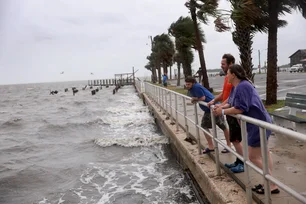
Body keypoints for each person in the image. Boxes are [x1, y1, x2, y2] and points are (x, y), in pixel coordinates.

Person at [213, 64, 279, 194]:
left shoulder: (243, 86)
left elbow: (241, 108)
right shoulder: (237, 86)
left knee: (252, 157)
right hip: (260, 123)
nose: (226, 75)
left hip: (258, 124)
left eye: (228, 73)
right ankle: (268, 183)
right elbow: (231, 103)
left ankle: (272, 184)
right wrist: (221, 107)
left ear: (233, 74)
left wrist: (222, 112)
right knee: (265, 153)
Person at [207, 54, 244, 173]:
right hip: (228, 110)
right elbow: (225, 95)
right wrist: (216, 102)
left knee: (236, 139)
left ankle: (242, 163)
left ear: (231, 64)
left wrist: (222, 108)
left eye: (223, 64)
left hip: (233, 111)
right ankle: (238, 161)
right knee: (235, 138)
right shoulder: (227, 78)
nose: (221, 66)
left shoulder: (235, 80)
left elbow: (233, 99)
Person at [185, 76, 231, 154]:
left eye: (189, 84)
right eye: (186, 84)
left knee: (217, 126)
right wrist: (194, 98)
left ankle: (223, 146)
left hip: (213, 108)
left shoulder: (196, 87)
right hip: (209, 109)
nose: (187, 86)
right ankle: (218, 146)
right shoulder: (192, 88)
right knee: (220, 126)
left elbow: (203, 98)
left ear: (193, 83)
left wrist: (195, 99)